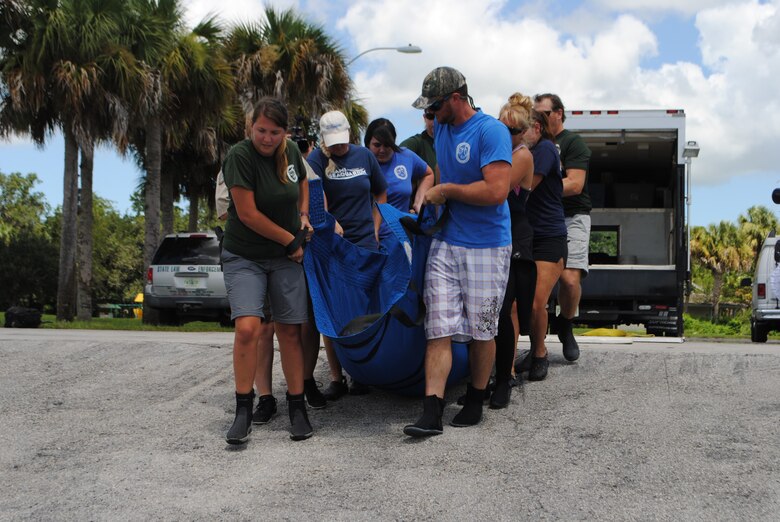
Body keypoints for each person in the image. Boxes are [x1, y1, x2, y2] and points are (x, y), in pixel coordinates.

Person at [403, 66, 512, 437]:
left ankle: (477, 398)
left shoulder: (491, 131)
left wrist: (447, 191)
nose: (429, 116)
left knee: (482, 330)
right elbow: (438, 169)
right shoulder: (443, 129)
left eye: (434, 107)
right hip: (447, 241)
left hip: (486, 245)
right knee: (438, 326)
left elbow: (497, 191)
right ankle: (431, 410)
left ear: (455, 98)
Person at [221, 97, 314, 443]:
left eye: (275, 132)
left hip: (285, 256)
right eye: (261, 130)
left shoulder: (290, 151)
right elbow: (247, 214)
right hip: (245, 254)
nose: (267, 138)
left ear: (285, 132)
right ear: (251, 127)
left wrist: (303, 216)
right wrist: (291, 241)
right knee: (249, 328)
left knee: (291, 330)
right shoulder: (240, 156)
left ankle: (297, 408)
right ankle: (243, 410)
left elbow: (302, 181)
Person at [306, 110, 388, 399]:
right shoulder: (316, 159)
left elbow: (380, 193)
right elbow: (312, 197)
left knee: (366, 309)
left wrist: (377, 226)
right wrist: (331, 221)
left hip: (366, 241)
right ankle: (336, 376)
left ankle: (363, 372)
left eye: (342, 141)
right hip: (333, 244)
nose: (339, 148)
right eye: (333, 142)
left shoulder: (364, 156)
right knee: (335, 310)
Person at [533, 93, 592, 362]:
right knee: (537, 289)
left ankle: (566, 325)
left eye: (544, 112)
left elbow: (576, 184)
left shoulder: (572, 143)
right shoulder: (533, 142)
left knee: (569, 279)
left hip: (572, 216)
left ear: (558, 113)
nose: (539, 117)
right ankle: (537, 348)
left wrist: (542, 184)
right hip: (541, 219)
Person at [491, 93, 536, 408]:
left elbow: (497, 189)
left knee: (504, 312)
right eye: (502, 128)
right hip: (491, 235)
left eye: (515, 131)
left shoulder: (522, 156)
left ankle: (504, 378)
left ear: (525, 133)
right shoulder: (497, 152)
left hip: (515, 237)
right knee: (488, 312)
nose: (508, 135)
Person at [516, 108, 567, 382]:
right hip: (526, 237)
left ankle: (539, 354)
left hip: (549, 238)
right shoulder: (524, 153)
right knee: (517, 303)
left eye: (523, 129)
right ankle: (520, 356)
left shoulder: (546, 150)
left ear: (537, 127)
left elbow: (524, 188)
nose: (520, 135)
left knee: (537, 302)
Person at [364, 117, 434, 213]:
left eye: (387, 145)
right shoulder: (360, 162)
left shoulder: (406, 156)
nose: (382, 150)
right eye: (377, 145)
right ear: (368, 144)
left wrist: (419, 202)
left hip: (399, 227)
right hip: (370, 227)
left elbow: (428, 174)